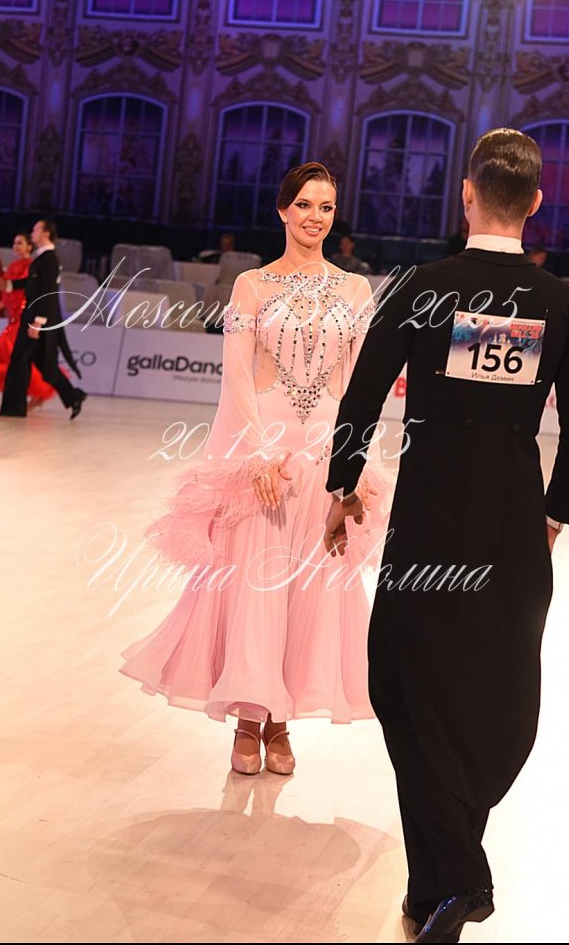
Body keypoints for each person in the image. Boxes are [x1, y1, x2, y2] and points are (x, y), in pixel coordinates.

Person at [323, 129, 569, 942]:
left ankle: (459, 880)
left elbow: (362, 398)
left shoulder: (422, 286)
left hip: (428, 521)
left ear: (467, 194)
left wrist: (341, 486)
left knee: (403, 685)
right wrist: (554, 516)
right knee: (487, 697)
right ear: (535, 203)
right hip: (515, 529)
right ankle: (433, 889)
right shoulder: (563, 305)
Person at [120, 162, 393, 775]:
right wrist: (255, 455)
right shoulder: (251, 285)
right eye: (305, 205)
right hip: (264, 454)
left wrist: (353, 465)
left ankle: (281, 721)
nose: (315, 217)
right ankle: (249, 718)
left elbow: (361, 385)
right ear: (282, 210)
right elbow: (237, 379)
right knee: (256, 589)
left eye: (326, 206)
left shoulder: (356, 290)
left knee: (307, 591)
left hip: (326, 451)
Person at [0, 233, 71, 409]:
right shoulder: (14, 266)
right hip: (13, 318)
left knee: (13, 356)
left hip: (24, 318)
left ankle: (35, 395)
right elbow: (8, 294)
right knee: (4, 356)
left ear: (29, 247)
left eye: (20, 243)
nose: (16, 246)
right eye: (14, 243)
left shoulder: (33, 266)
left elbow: (29, 291)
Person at [0, 219, 86, 419]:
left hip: (38, 318)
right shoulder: (43, 258)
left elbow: (48, 292)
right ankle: (73, 396)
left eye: (36, 230)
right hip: (37, 316)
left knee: (19, 360)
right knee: (45, 365)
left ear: (46, 234)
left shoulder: (49, 260)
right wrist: (8, 286)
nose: (33, 233)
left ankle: (14, 408)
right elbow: (32, 284)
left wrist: (38, 322)